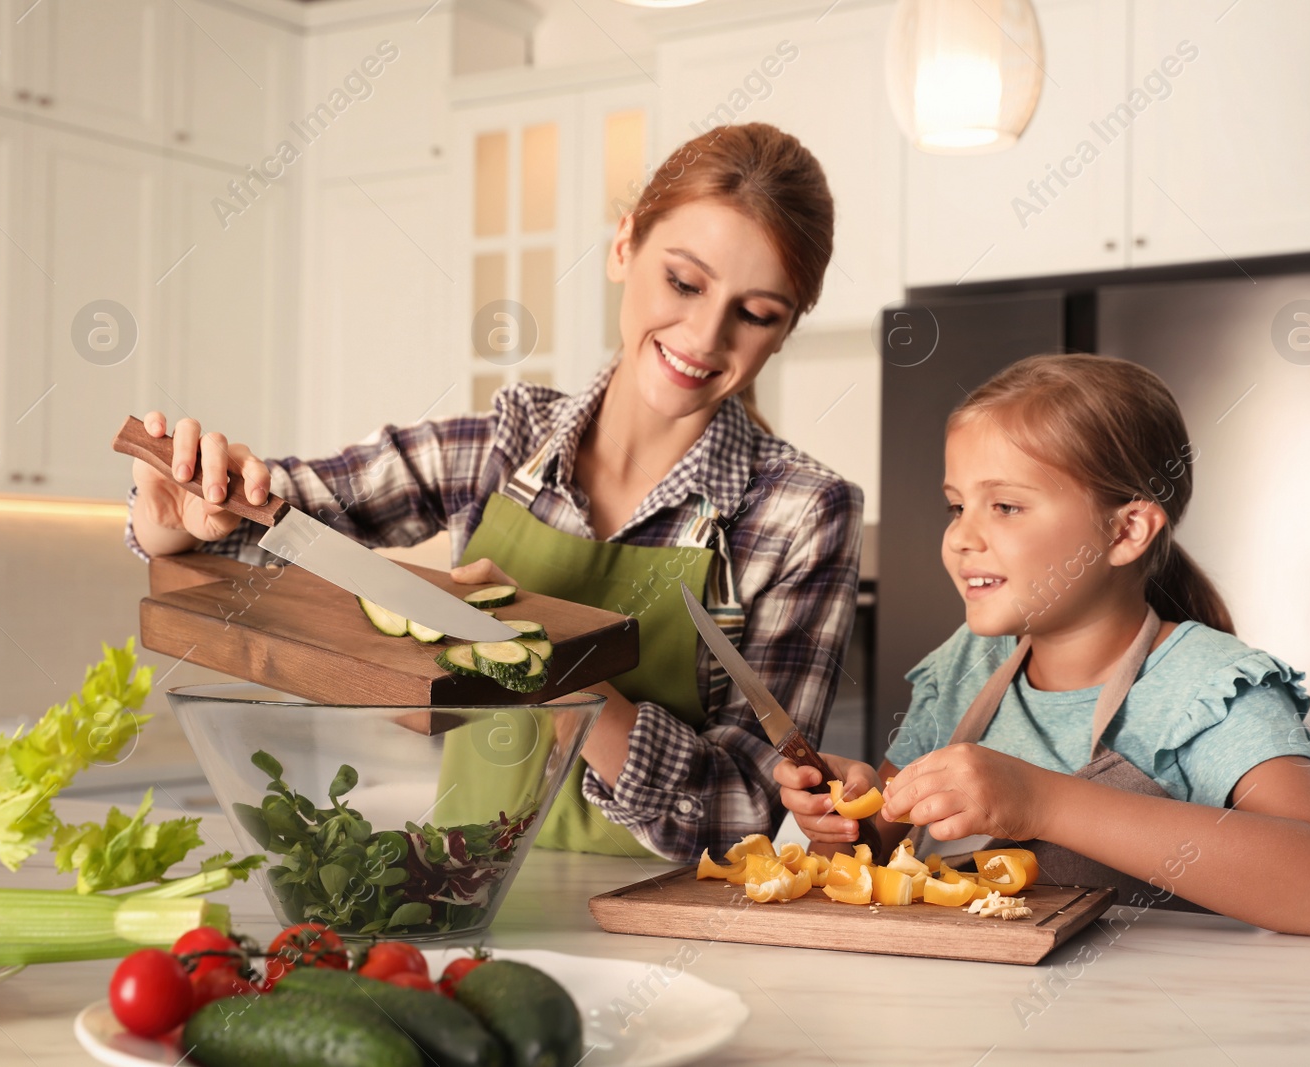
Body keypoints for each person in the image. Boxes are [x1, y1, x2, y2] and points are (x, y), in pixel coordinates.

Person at [126, 123, 864, 862]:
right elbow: (272, 518)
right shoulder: (504, 444)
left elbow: (743, 816)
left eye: (756, 313)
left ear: (784, 329)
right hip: (461, 897)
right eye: (683, 281)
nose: (705, 335)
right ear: (623, 244)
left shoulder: (803, 513)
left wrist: (537, 661)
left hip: (664, 920)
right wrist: (180, 518)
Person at [776, 354, 1310, 937]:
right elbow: (873, 853)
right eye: (957, 506)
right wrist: (843, 813)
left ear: (1125, 531)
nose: (961, 535)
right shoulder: (965, 666)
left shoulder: (1206, 689)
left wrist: (1042, 801)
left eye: (1005, 506)